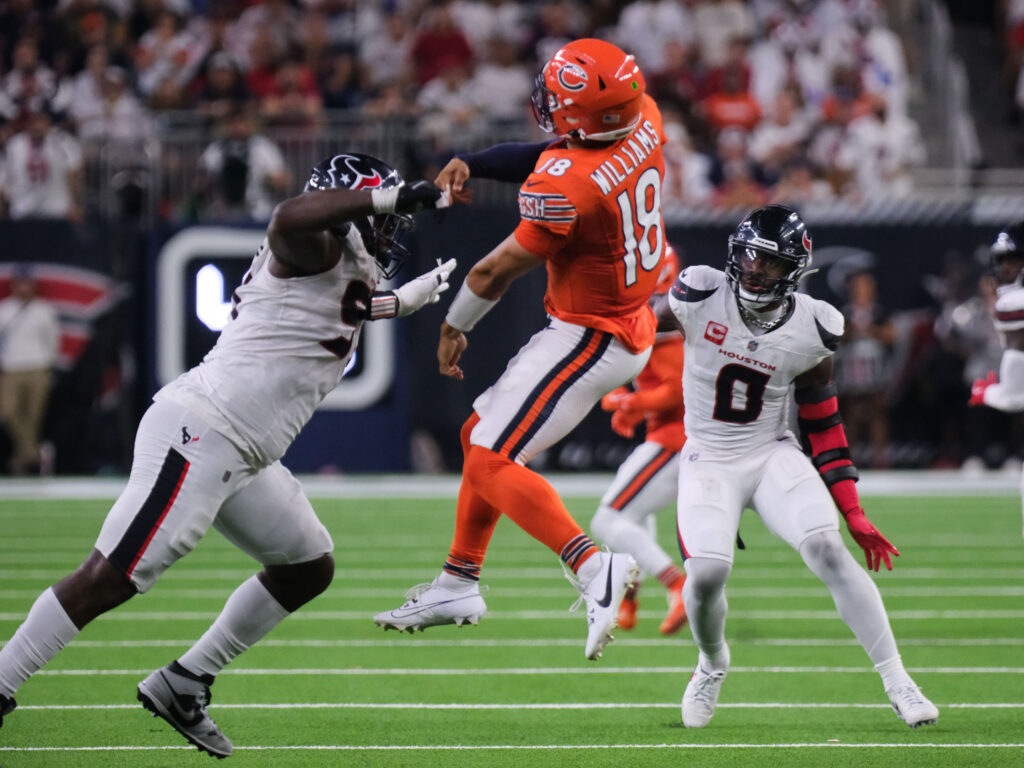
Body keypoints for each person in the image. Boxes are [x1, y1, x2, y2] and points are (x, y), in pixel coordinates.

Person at [0, 153, 455, 757]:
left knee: (306, 565)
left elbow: (329, 308)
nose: (392, 227)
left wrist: (399, 303)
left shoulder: (343, 262)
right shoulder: (313, 239)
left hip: (244, 451)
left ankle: (184, 681)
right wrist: (382, 202)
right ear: (356, 203)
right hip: (203, 429)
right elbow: (289, 215)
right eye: (384, 210)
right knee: (110, 576)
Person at [374, 38, 668, 661]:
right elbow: (550, 152)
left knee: (487, 457)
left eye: (564, 97)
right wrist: (473, 162)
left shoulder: (573, 186)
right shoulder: (642, 119)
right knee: (480, 434)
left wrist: (454, 325)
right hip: (615, 320)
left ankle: (593, 567)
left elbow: (492, 274)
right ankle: (458, 580)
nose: (551, 101)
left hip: (591, 336)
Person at [655, 204, 938, 729]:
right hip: (708, 455)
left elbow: (822, 420)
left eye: (770, 262)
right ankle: (712, 663)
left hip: (770, 452)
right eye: (750, 257)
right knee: (708, 572)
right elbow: (632, 335)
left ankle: (898, 679)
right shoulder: (699, 292)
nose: (756, 269)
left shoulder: (816, 325)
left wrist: (851, 510)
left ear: (794, 270)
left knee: (828, 547)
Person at [591, 244, 688, 635]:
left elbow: (676, 388)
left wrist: (630, 400)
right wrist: (635, 408)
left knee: (608, 517)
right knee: (632, 513)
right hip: (674, 435)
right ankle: (631, 594)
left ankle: (677, 584)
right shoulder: (660, 309)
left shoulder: (666, 313)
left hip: (678, 440)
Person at [968, 221, 1024, 536]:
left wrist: (986, 391)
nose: (1004, 268)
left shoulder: (1013, 304)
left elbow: (1016, 396)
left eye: (1013, 260)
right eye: (1001, 260)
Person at [0, 264, 60, 475]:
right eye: (20, 283)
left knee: (33, 417)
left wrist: (48, 366)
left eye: (27, 283)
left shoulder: (44, 311)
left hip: (37, 367)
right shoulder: (4, 309)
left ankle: (22, 459)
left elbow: (52, 341)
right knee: (8, 411)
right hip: (11, 368)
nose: (23, 287)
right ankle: (33, 453)